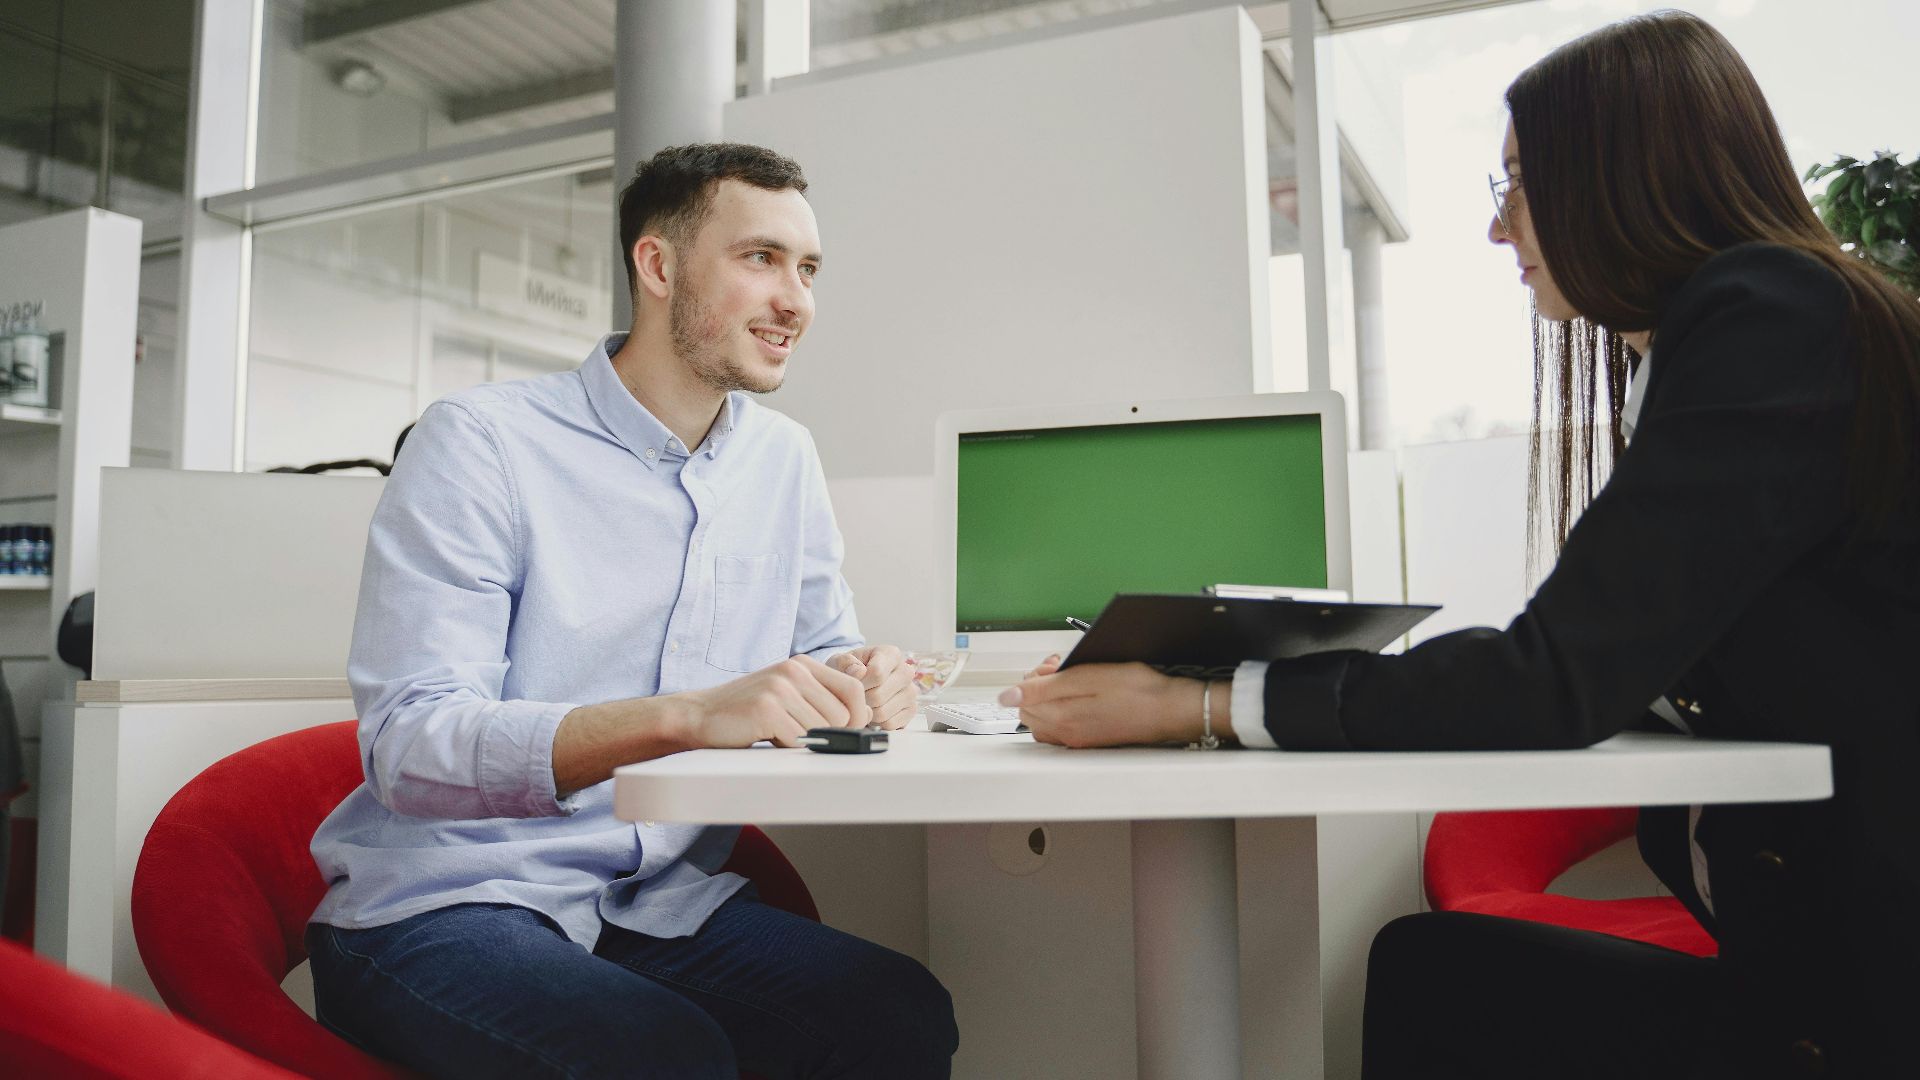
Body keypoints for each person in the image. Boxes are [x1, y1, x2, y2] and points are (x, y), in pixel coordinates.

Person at [997, 12, 1919, 1078]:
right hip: (1815, 958)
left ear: (1617, 171)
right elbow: (1623, 667)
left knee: (1436, 978)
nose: (1502, 230)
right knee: (1438, 971)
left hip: (1859, 999)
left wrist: (1196, 705)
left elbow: (1559, 679)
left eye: (1518, 183)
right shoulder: (1757, 327)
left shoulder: (1767, 316)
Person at [306, 143, 958, 1080]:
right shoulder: (481, 442)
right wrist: (688, 717)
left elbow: (821, 648)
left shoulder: (783, 459)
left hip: (651, 897)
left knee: (895, 1014)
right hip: (445, 902)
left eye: (808, 269)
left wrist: (863, 677)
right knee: (661, 1055)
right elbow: (409, 745)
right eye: (761, 259)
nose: (796, 300)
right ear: (656, 267)